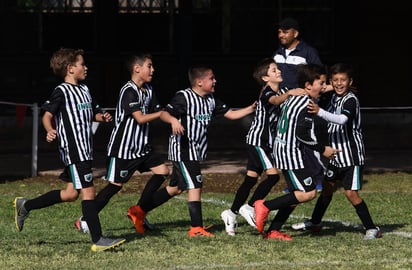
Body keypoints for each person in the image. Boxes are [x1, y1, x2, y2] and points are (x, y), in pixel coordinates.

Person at [13, 48, 126, 252]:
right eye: (82, 64)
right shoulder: (61, 91)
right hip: (73, 151)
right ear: (70, 68)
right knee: (88, 191)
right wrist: (49, 130)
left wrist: (102, 117)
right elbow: (47, 115)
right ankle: (98, 239)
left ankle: (26, 205)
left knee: (70, 194)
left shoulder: (84, 90)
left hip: (85, 150)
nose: (86, 67)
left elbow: (92, 114)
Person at [74, 53, 180, 236]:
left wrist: (172, 115)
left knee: (163, 172)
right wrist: (163, 116)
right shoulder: (128, 90)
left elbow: (158, 110)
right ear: (137, 69)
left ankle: (139, 211)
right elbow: (139, 118)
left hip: (142, 148)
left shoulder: (149, 89)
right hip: (123, 150)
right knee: (115, 186)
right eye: (149, 66)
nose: (153, 70)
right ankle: (84, 220)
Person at [159, 65, 256, 237]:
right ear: (199, 82)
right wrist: (173, 120)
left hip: (196, 150)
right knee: (196, 184)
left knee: (176, 187)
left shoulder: (211, 99)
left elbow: (231, 115)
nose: (215, 81)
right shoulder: (184, 97)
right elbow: (164, 114)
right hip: (183, 149)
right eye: (211, 78)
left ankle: (139, 210)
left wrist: (251, 108)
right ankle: (196, 228)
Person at [291, 63, 382, 240]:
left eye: (343, 80)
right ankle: (315, 222)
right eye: (336, 80)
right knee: (326, 188)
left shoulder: (351, 100)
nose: (339, 84)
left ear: (350, 82)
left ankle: (372, 228)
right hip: (336, 156)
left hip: (351, 157)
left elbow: (341, 119)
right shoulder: (335, 97)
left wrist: (320, 112)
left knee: (351, 193)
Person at [253, 63, 339, 241]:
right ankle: (264, 205)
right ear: (308, 86)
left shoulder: (294, 96)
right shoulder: (306, 103)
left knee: (294, 196)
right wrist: (324, 149)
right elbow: (302, 134)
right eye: (321, 84)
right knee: (308, 193)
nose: (323, 88)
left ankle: (274, 230)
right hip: (290, 153)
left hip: (286, 149)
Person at [220, 58, 305, 236]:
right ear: (266, 78)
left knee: (250, 179)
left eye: (277, 69)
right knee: (273, 176)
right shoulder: (268, 92)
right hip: (259, 141)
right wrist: (289, 94)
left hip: (262, 142)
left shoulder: (280, 90)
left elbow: (293, 94)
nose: (278, 71)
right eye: (274, 70)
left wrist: (327, 87)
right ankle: (250, 207)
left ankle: (231, 213)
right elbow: (274, 101)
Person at [273, 17, 331, 192]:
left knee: (308, 139)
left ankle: (318, 177)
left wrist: (315, 95)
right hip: (285, 105)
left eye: (285, 31)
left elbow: (319, 77)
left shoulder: (308, 52)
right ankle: (296, 180)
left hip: (303, 104)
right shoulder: (278, 52)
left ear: (295, 33)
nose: (281, 35)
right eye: (279, 31)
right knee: (289, 141)